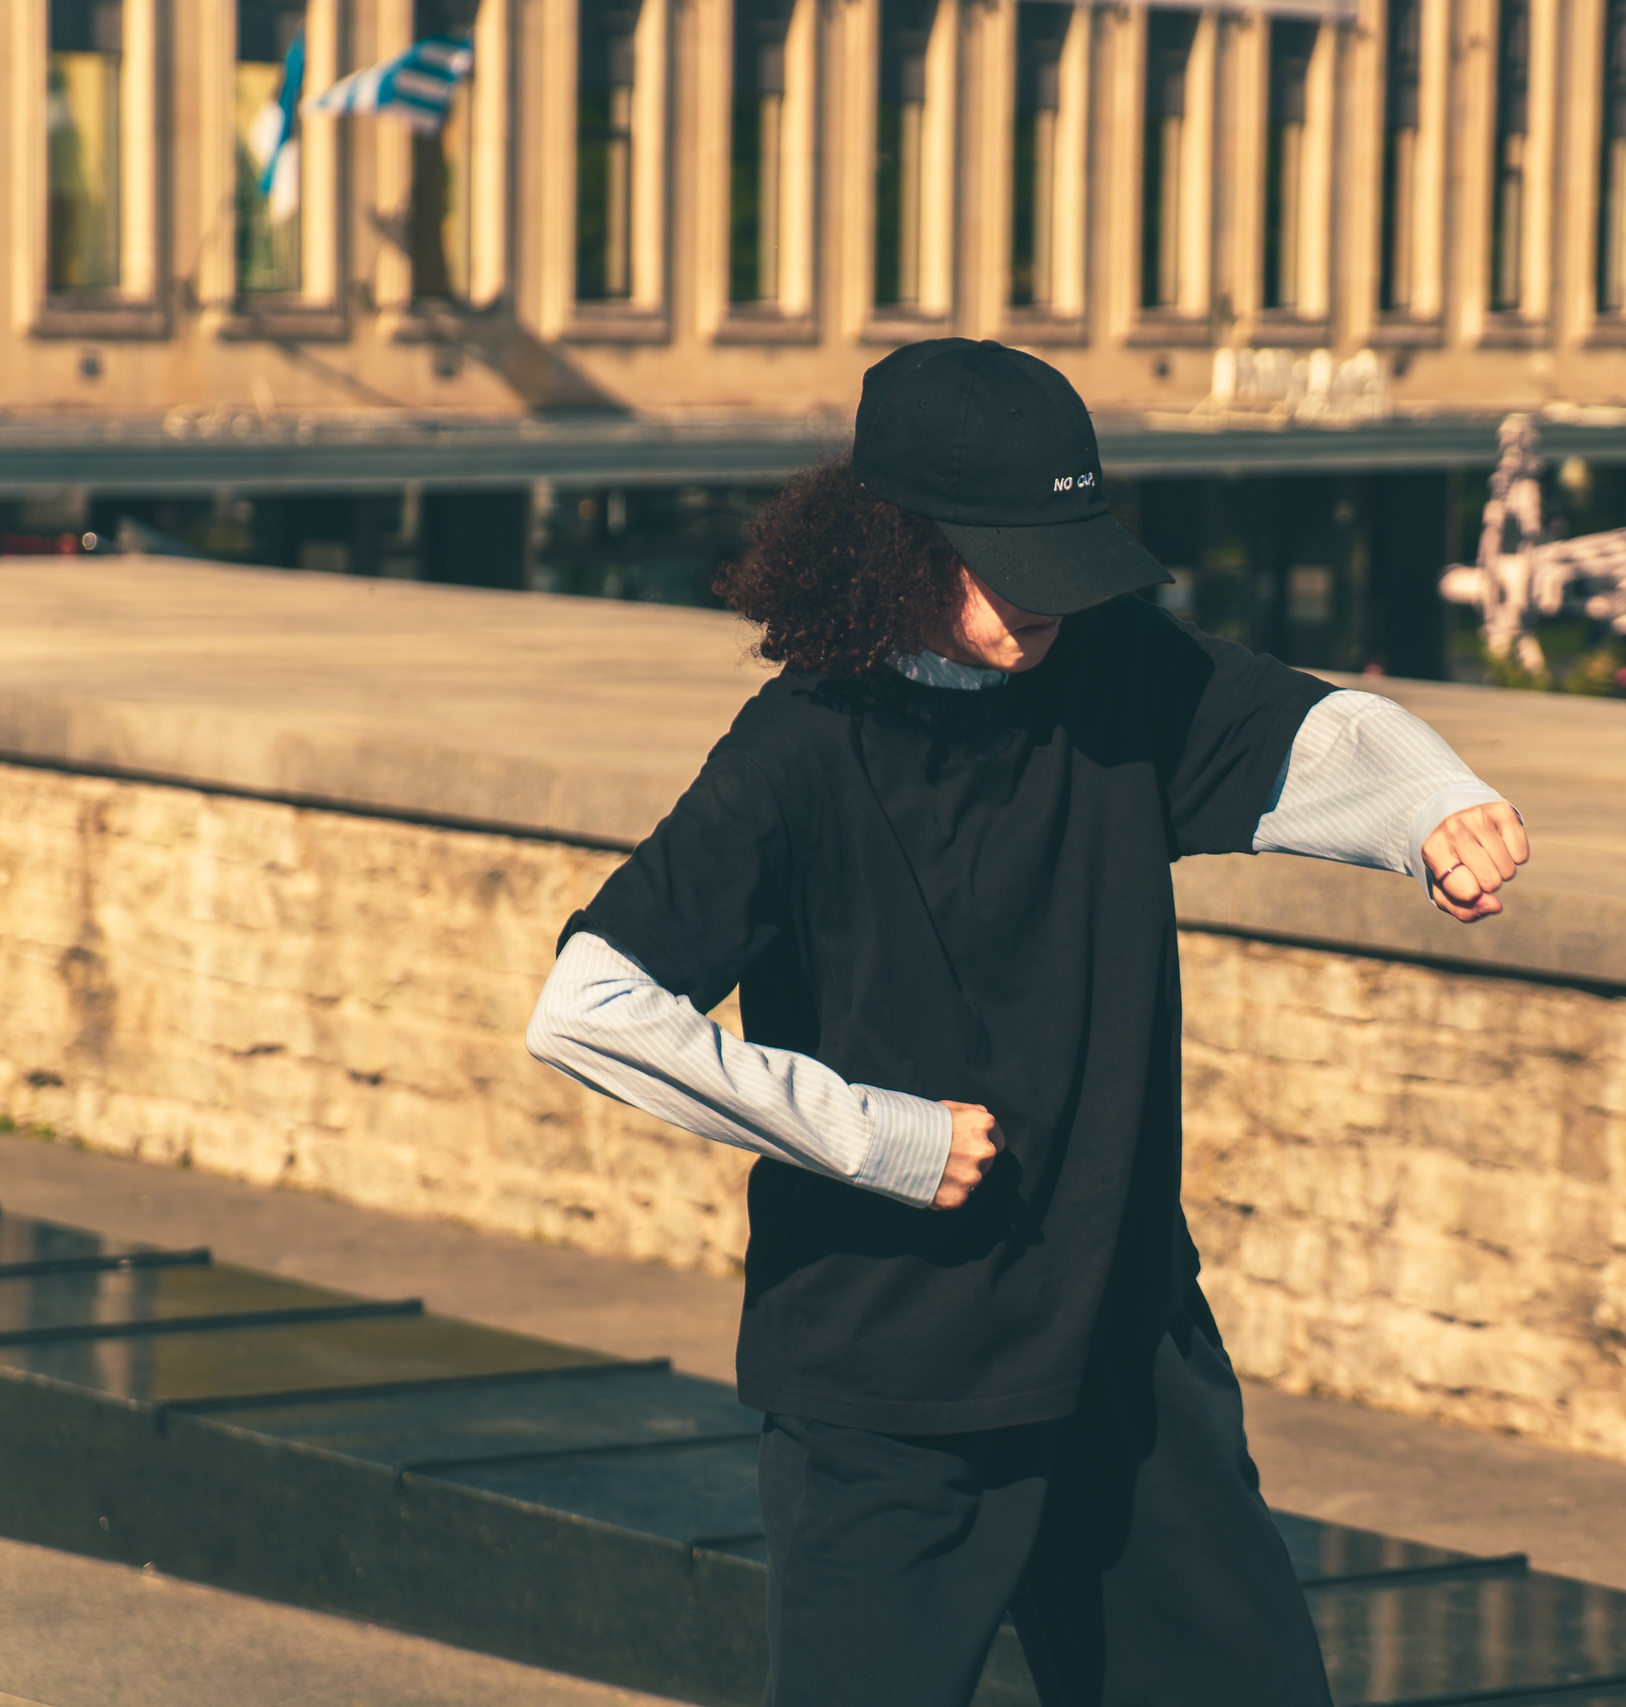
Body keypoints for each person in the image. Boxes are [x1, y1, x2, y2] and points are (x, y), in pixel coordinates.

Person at [524, 339, 1529, 1707]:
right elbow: (591, 1006)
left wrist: (1436, 806)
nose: (1046, 595)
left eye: (1063, 551)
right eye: (1003, 560)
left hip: (1125, 1350)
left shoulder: (1117, 678)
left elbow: (1315, 727)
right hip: (889, 1386)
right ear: (891, 548)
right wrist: (877, 1137)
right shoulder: (796, 750)